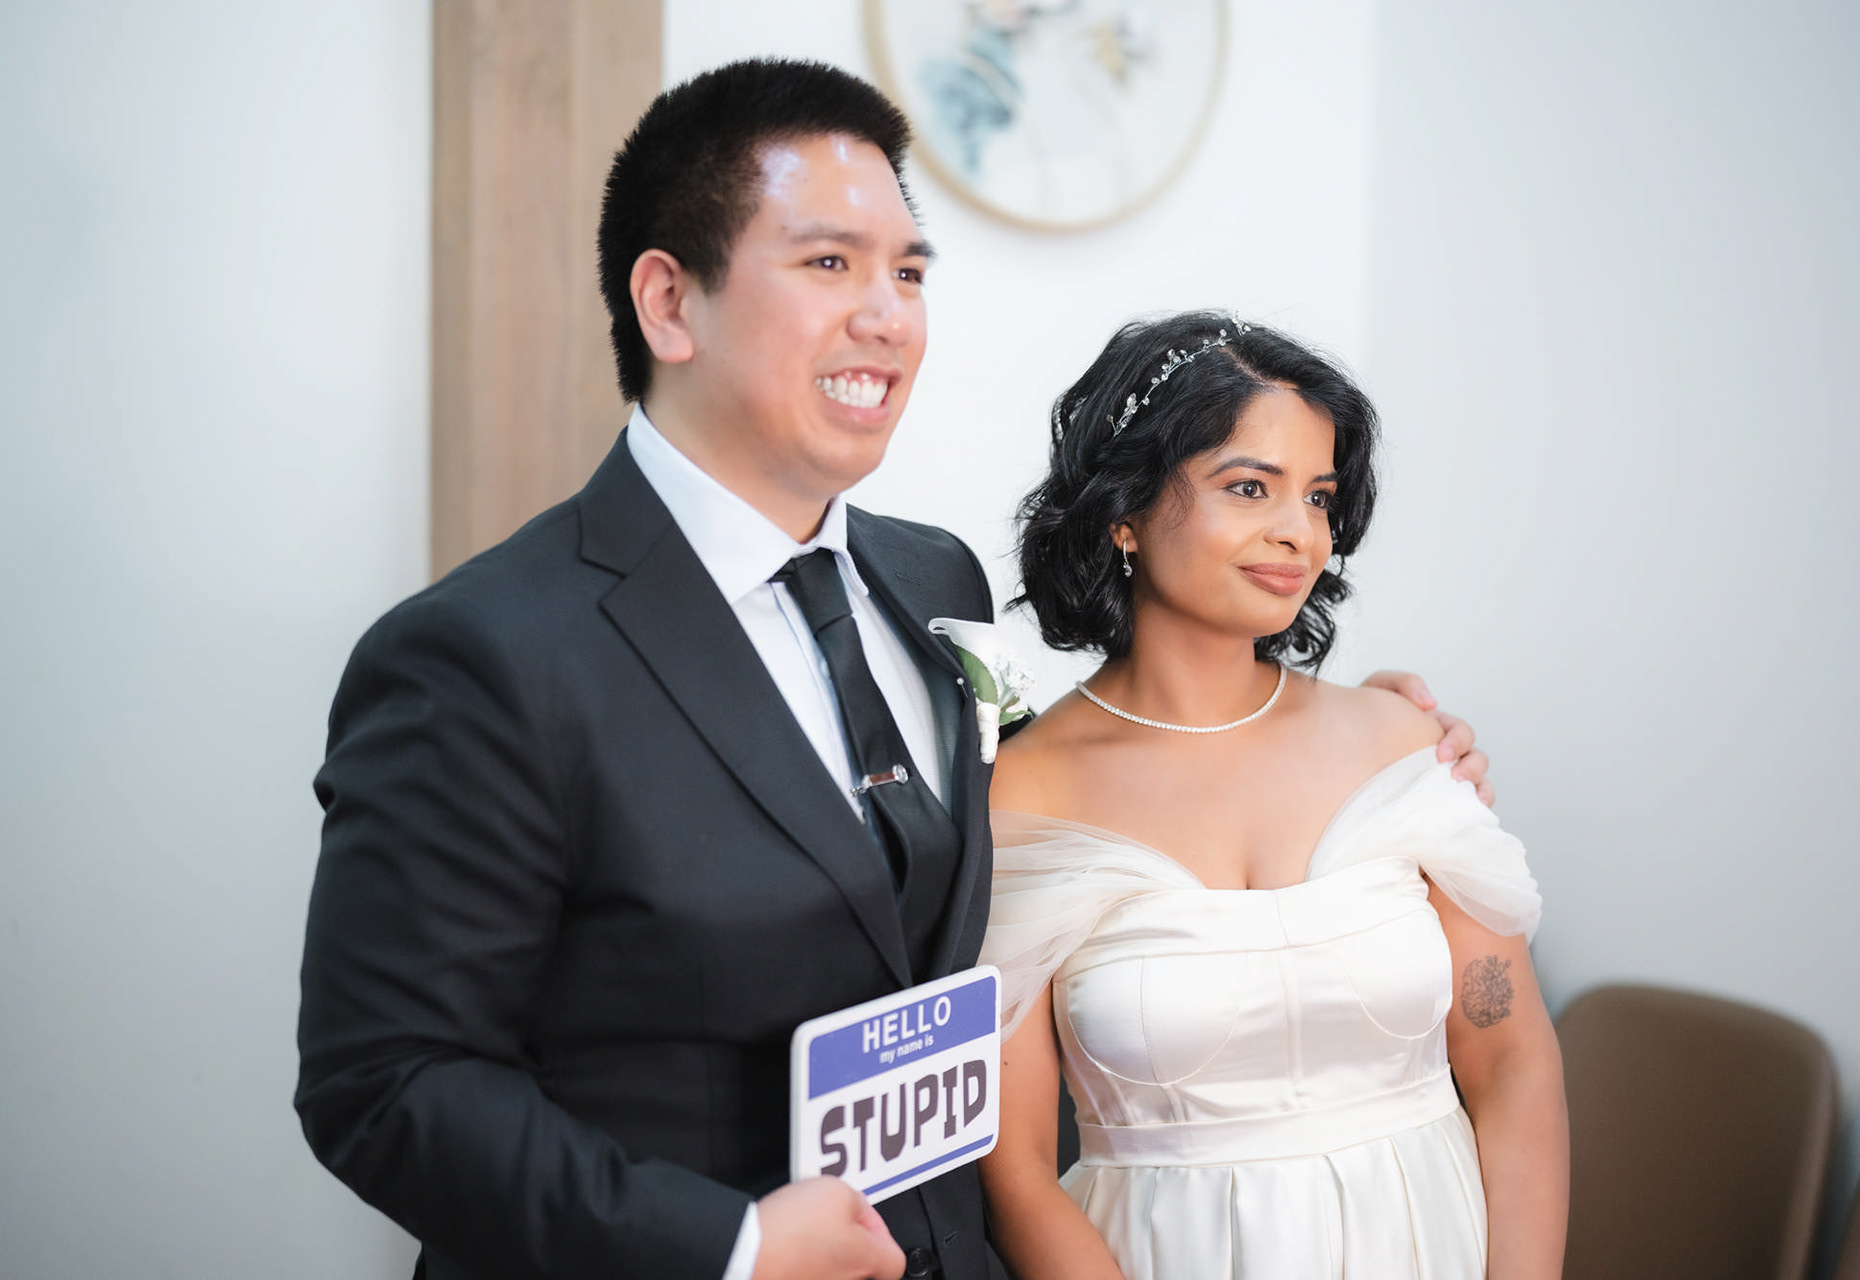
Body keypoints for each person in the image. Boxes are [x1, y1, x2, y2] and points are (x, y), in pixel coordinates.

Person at [295, 59, 1494, 1280]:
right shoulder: (484, 652)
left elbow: (1044, 817)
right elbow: (384, 1082)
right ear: (669, 303)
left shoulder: (932, 583)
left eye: (909, 273)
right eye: (830, 262)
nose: (888, 315)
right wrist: (734, 1244)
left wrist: (1356, 746)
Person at [977, 313, 1568, 1279]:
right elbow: (1014, 1171)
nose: (1300, 533)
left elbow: (1509, 1058)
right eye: (1249, 487)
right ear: (1124, 512)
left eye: (1319, 497)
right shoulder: (1021, 794)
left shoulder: (1402, 744)